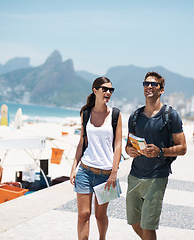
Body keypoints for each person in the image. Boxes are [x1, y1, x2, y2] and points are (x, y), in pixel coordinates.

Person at [125, 71, 187, 240]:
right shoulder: (135, 116)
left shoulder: (170, 115)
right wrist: (129, 150)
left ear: (162, 90)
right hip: (135, 175)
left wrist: (161, 151)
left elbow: (182, 148)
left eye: (154, 84)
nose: (149, 86)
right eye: (146, 84)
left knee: (148, 225)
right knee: (134, 221)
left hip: (157, 177)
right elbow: (128, 145)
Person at [69, 77, 122, 240]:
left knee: (100, 215)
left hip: (106, 175)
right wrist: (74, 166)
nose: (108, 92)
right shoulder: (86, 113)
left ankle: (102, 238)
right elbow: (82, 142)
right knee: (83, 214)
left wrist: (114, 172)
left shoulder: (115, 114)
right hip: (85, 170)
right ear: (95, 90)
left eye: (110, 90)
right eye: (104, 89)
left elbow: (118, 145)